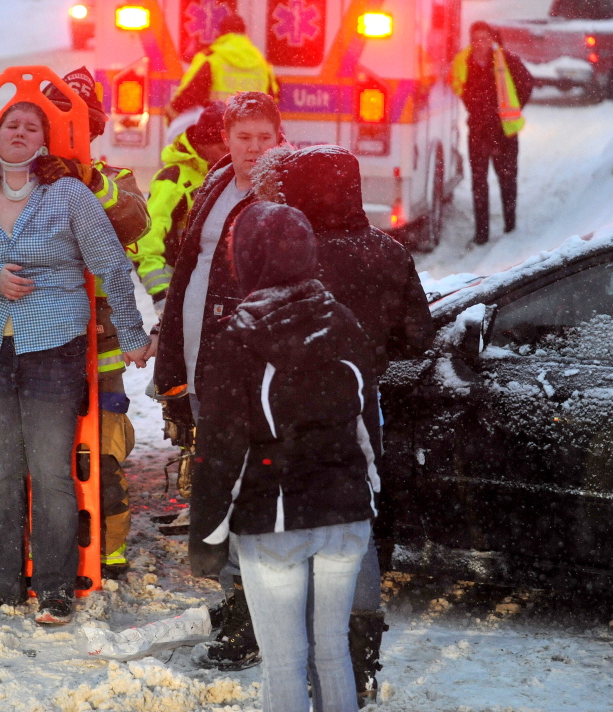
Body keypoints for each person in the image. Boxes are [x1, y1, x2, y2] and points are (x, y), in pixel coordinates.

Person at [223, 143, 433, 704]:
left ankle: (264, 630)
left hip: (282, 450)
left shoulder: (289, 259)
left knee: (285, 639)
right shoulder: (386, 252)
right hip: (355, 414)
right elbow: (419, 337)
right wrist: (370, 354)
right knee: (352, 531)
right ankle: (361, 641)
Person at [0, 101, 149, 624]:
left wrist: (135, 332)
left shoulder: (70, 194)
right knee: (2, 472)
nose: (20, 132)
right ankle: (2, 584)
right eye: (12, 125)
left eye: (32, 127)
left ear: (44, 141)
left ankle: (54, 587)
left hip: (53, 345)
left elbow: (111, 265)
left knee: (50, 471)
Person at [191, 201, 378, 712]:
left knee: (284, 661)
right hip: (346, 513)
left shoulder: (240, 337)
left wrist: (206, 534)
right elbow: (368, 420)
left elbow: (220, 448)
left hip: (274, 517)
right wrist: (368, 490)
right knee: (333, 651)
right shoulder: (340, 320)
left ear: (246, 260)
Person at [154, 91, 280, 517]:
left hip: (244, 359)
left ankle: (243, 559)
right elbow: (190, 264)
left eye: (265, 136)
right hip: (197, 348)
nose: (255, 147)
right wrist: (167, 328)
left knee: (245, 457)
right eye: (244, 136)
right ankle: (218, 539)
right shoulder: (217, 181)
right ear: (226, 138)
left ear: (278, 138)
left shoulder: (286, 194)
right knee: (206, 445)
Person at [135, 101, 228, 317]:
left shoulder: (230, 176)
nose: (229, 153)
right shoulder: (173, 180)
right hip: (180, 291)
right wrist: (161, 294)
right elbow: (147, 240)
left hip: (217, 292)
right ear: (202, 144)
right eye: (222, 148)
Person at [450, 21, 533, 245]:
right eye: (476, 38)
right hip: (478, 132)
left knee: (507, 179)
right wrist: (472, 105)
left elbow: (527, 82)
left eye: (485, 38)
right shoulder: (464, 62)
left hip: (504, 132)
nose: (480, 43)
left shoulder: (507, 60)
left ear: (492, 39)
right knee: (479, 183)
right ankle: (481, 234)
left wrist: (514, 109)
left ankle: (510, 227)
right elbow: (457, 84)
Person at [166, 14, 279, 125]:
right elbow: (272, 98)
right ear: (245, 33)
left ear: (221, 33)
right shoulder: (261, 62)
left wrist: (173, 110)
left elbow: (191, 91)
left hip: (217, 128)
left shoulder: (212, 57)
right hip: (251, 131)